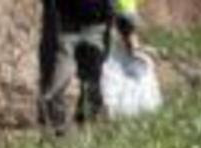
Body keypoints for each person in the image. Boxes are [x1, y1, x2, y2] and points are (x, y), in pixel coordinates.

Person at [39, 0, 140, 132]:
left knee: (91, 82)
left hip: (96, 27)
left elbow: (124, 4)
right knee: (57, 81)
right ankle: (55, 128)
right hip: (64, 25)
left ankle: (86, 127)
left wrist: (128, 31)